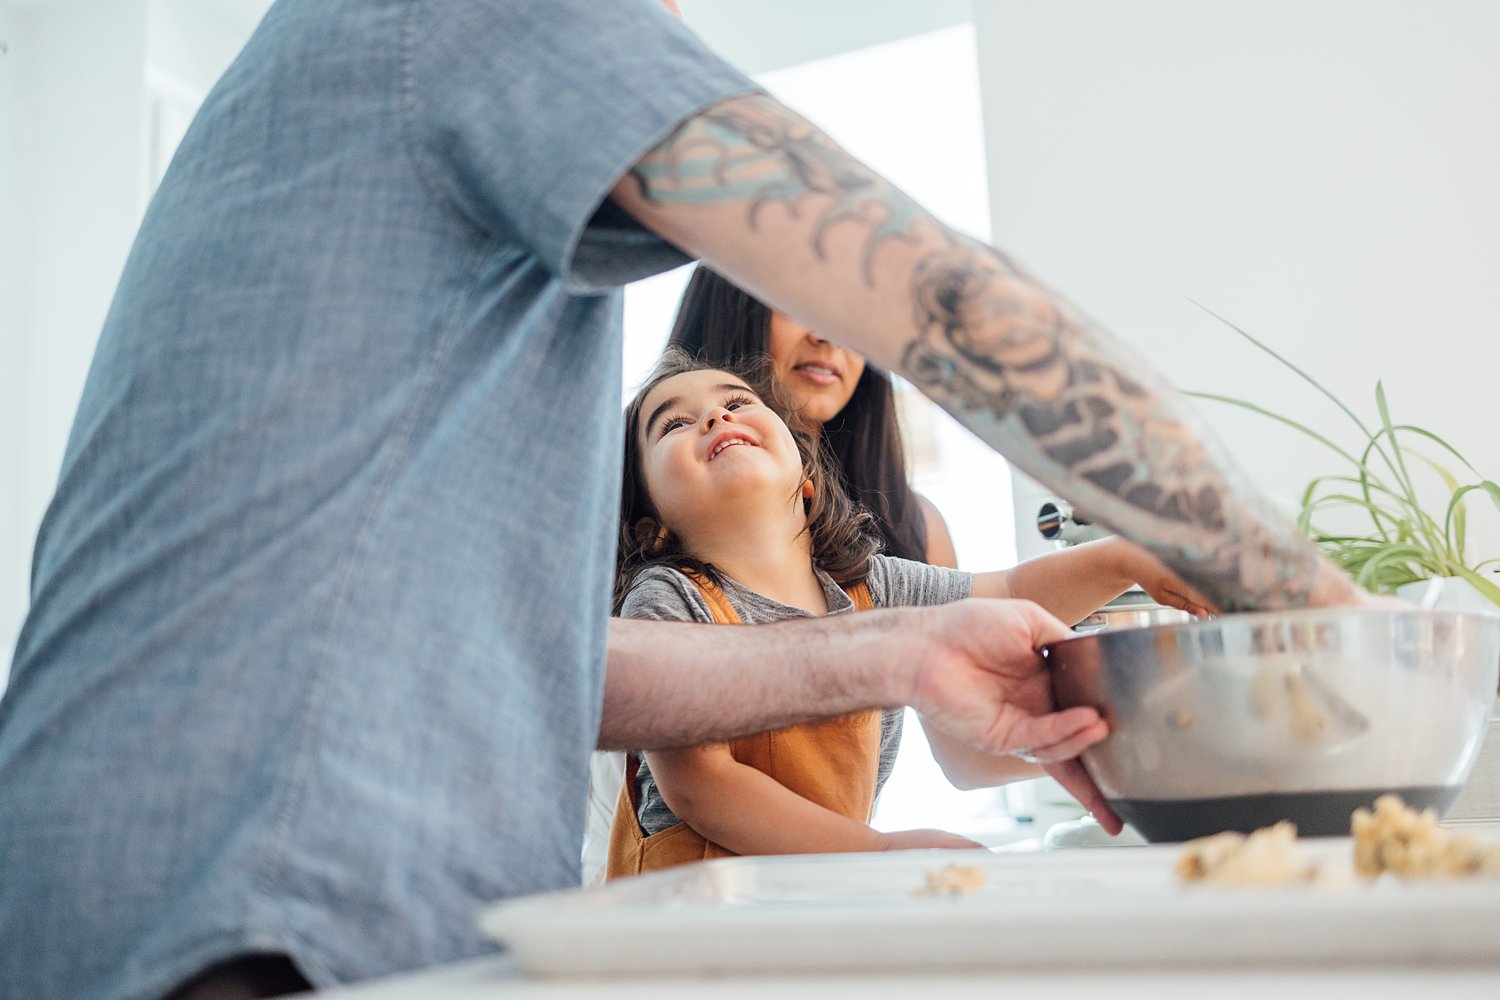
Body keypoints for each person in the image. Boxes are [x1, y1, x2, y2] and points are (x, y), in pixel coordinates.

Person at [0, 0, 1366, 997]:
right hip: (250, 926)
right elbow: (952, 301)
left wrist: (904, 646)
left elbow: (551, 672)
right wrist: (1310, 606)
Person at [604, 351, 1210, 875]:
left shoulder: (870, 588)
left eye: (737, 401)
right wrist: (876, 852)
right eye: (674, 424)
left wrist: (1127, 557)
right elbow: (699, 785)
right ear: (649, 525)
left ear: (807, 478)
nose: (715, 416)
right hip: (689, 920)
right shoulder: (666, 597)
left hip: (814, 904)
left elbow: (1007, 592)